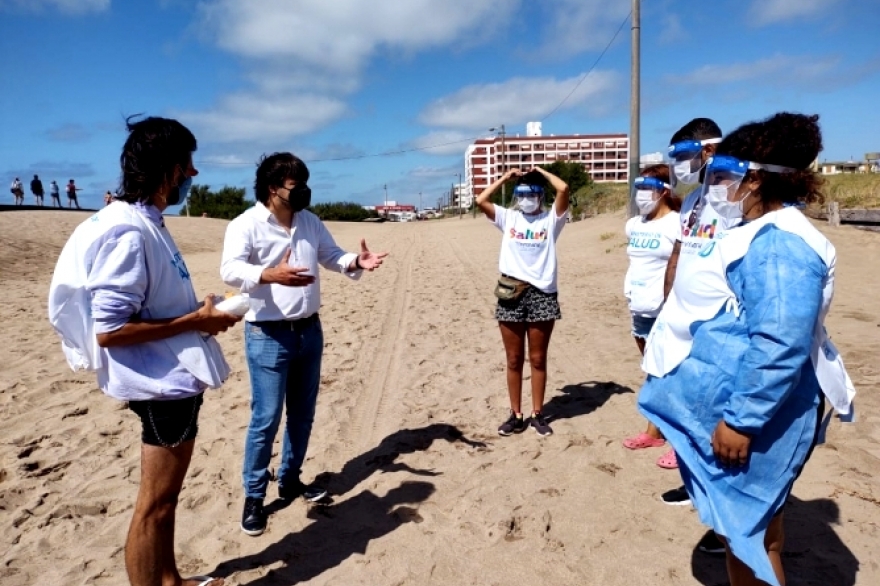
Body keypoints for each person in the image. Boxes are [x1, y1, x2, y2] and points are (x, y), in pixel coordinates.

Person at [639, 113, 855, 586]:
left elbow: (780, 343)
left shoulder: (781, 243)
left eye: (722, 175)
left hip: (756, 413)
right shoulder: (762, 230)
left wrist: (741, 420)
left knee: (749, 541)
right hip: (743, 402)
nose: (713, 183)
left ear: (754, 179)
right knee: (755, 535)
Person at [47, 116, 241, 586]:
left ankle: (170, 579)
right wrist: (196, 322)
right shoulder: (130, 231)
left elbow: (147, 302)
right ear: (168, 170)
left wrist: (198, 315)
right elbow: (109, 330)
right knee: (154, 504)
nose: (193, 175)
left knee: (167, 500)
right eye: (188, 165)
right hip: (161, 386)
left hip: (172, 375)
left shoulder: (143, 220)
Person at [220, 152, 388, 537]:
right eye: (295, 187)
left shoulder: (309, 222)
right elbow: (229, 268)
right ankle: (254, 496)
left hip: (309, 332)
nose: (303, 193)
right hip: (267, 335)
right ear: (272, 189)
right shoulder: (245, 225)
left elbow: (331, 255)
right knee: (265, 419)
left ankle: (291, 479)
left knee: (302, 414)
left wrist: (356, 261)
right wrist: (268, 273)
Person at [649, 117, 724, 474]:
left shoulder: (735, 202)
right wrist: (667, 306)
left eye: (684, 155)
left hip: (718, 322)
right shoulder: (694, 199)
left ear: (709, 150)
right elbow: (678, 253)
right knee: (686, 395)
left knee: (713, 401)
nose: (679, 164)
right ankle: (689, 468)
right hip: (682, 318)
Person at [475, 166, 570, 438]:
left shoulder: (552, 220)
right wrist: (506, 178)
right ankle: (516, 414)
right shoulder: (509, 218)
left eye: (532, 193)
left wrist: (540, 171)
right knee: (514, 359)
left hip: (542, 293)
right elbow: (481, 200)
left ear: (541, 196)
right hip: (511, 292)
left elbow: (563, 189)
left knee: (538, 358)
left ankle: (537, 414)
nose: (527, 199)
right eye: (522, 194)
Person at [620, 165, 680, 450]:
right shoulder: (634, 225)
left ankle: (658, 431)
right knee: (652, 370)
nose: (642, 194)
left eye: (648, 188)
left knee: (671, 370)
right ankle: (657, 428)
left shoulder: (678, 223)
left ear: (665, 190)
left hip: (666, 310)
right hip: (640, 308)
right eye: (639, 188)